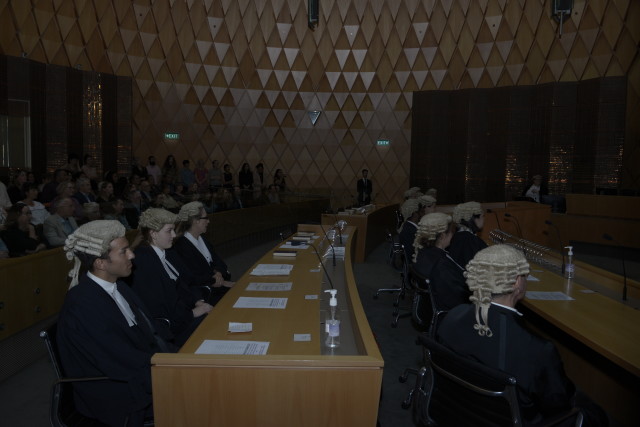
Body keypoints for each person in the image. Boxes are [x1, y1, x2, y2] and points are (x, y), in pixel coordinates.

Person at [437, 245, 606, 426]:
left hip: (457, 412)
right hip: (511, 420)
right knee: (595, 414)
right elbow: (559, 405)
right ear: (517, 282)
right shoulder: (537, 350)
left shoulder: (451, 316)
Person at [57, 220, 174, 426]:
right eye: (123, 251)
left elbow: (144, 336)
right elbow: (116, 360)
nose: (132, 255)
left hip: (137, 369)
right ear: (100, 263)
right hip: (115, 391)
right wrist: (171, 370)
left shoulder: (119, 286)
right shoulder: (82, 305)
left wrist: (178, 357)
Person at [131, 208, 213, 346]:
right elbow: (159, 307)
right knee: (213, 326)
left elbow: (185, 283)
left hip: (183, 315)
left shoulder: (167, 253)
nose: (174, 235)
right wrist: (192, 313)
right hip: (172, 329)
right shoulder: (143, 262)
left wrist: (197, 301)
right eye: (169, 231)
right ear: (153, 234)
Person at [173, 202, 234, 305]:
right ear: (195, 221)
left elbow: (219, 262)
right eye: (206, 218)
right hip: (205, 294)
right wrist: (215, 280)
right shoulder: (181, 246)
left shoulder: (203, 240)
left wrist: (218, 273)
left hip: (216, 286)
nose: (208, 221)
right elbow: (192, 277)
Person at [413, 212, 467, 311]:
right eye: (451, 232)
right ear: (442, 236)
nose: (453, 235)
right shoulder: (441, 265)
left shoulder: (423, 252)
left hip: (431, 306)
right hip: (452, 310)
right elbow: (459, 297)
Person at [448, 201, 488, 269]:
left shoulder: (458, 235)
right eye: (483, 216)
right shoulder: (469, 239)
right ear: (474, 219)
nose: (484, 219)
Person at [398, 198, 425, 263]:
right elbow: (410, 255)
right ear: (415, 214)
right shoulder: (412, 232)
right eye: (422, 212)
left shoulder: (407, 225)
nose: (424, 214)